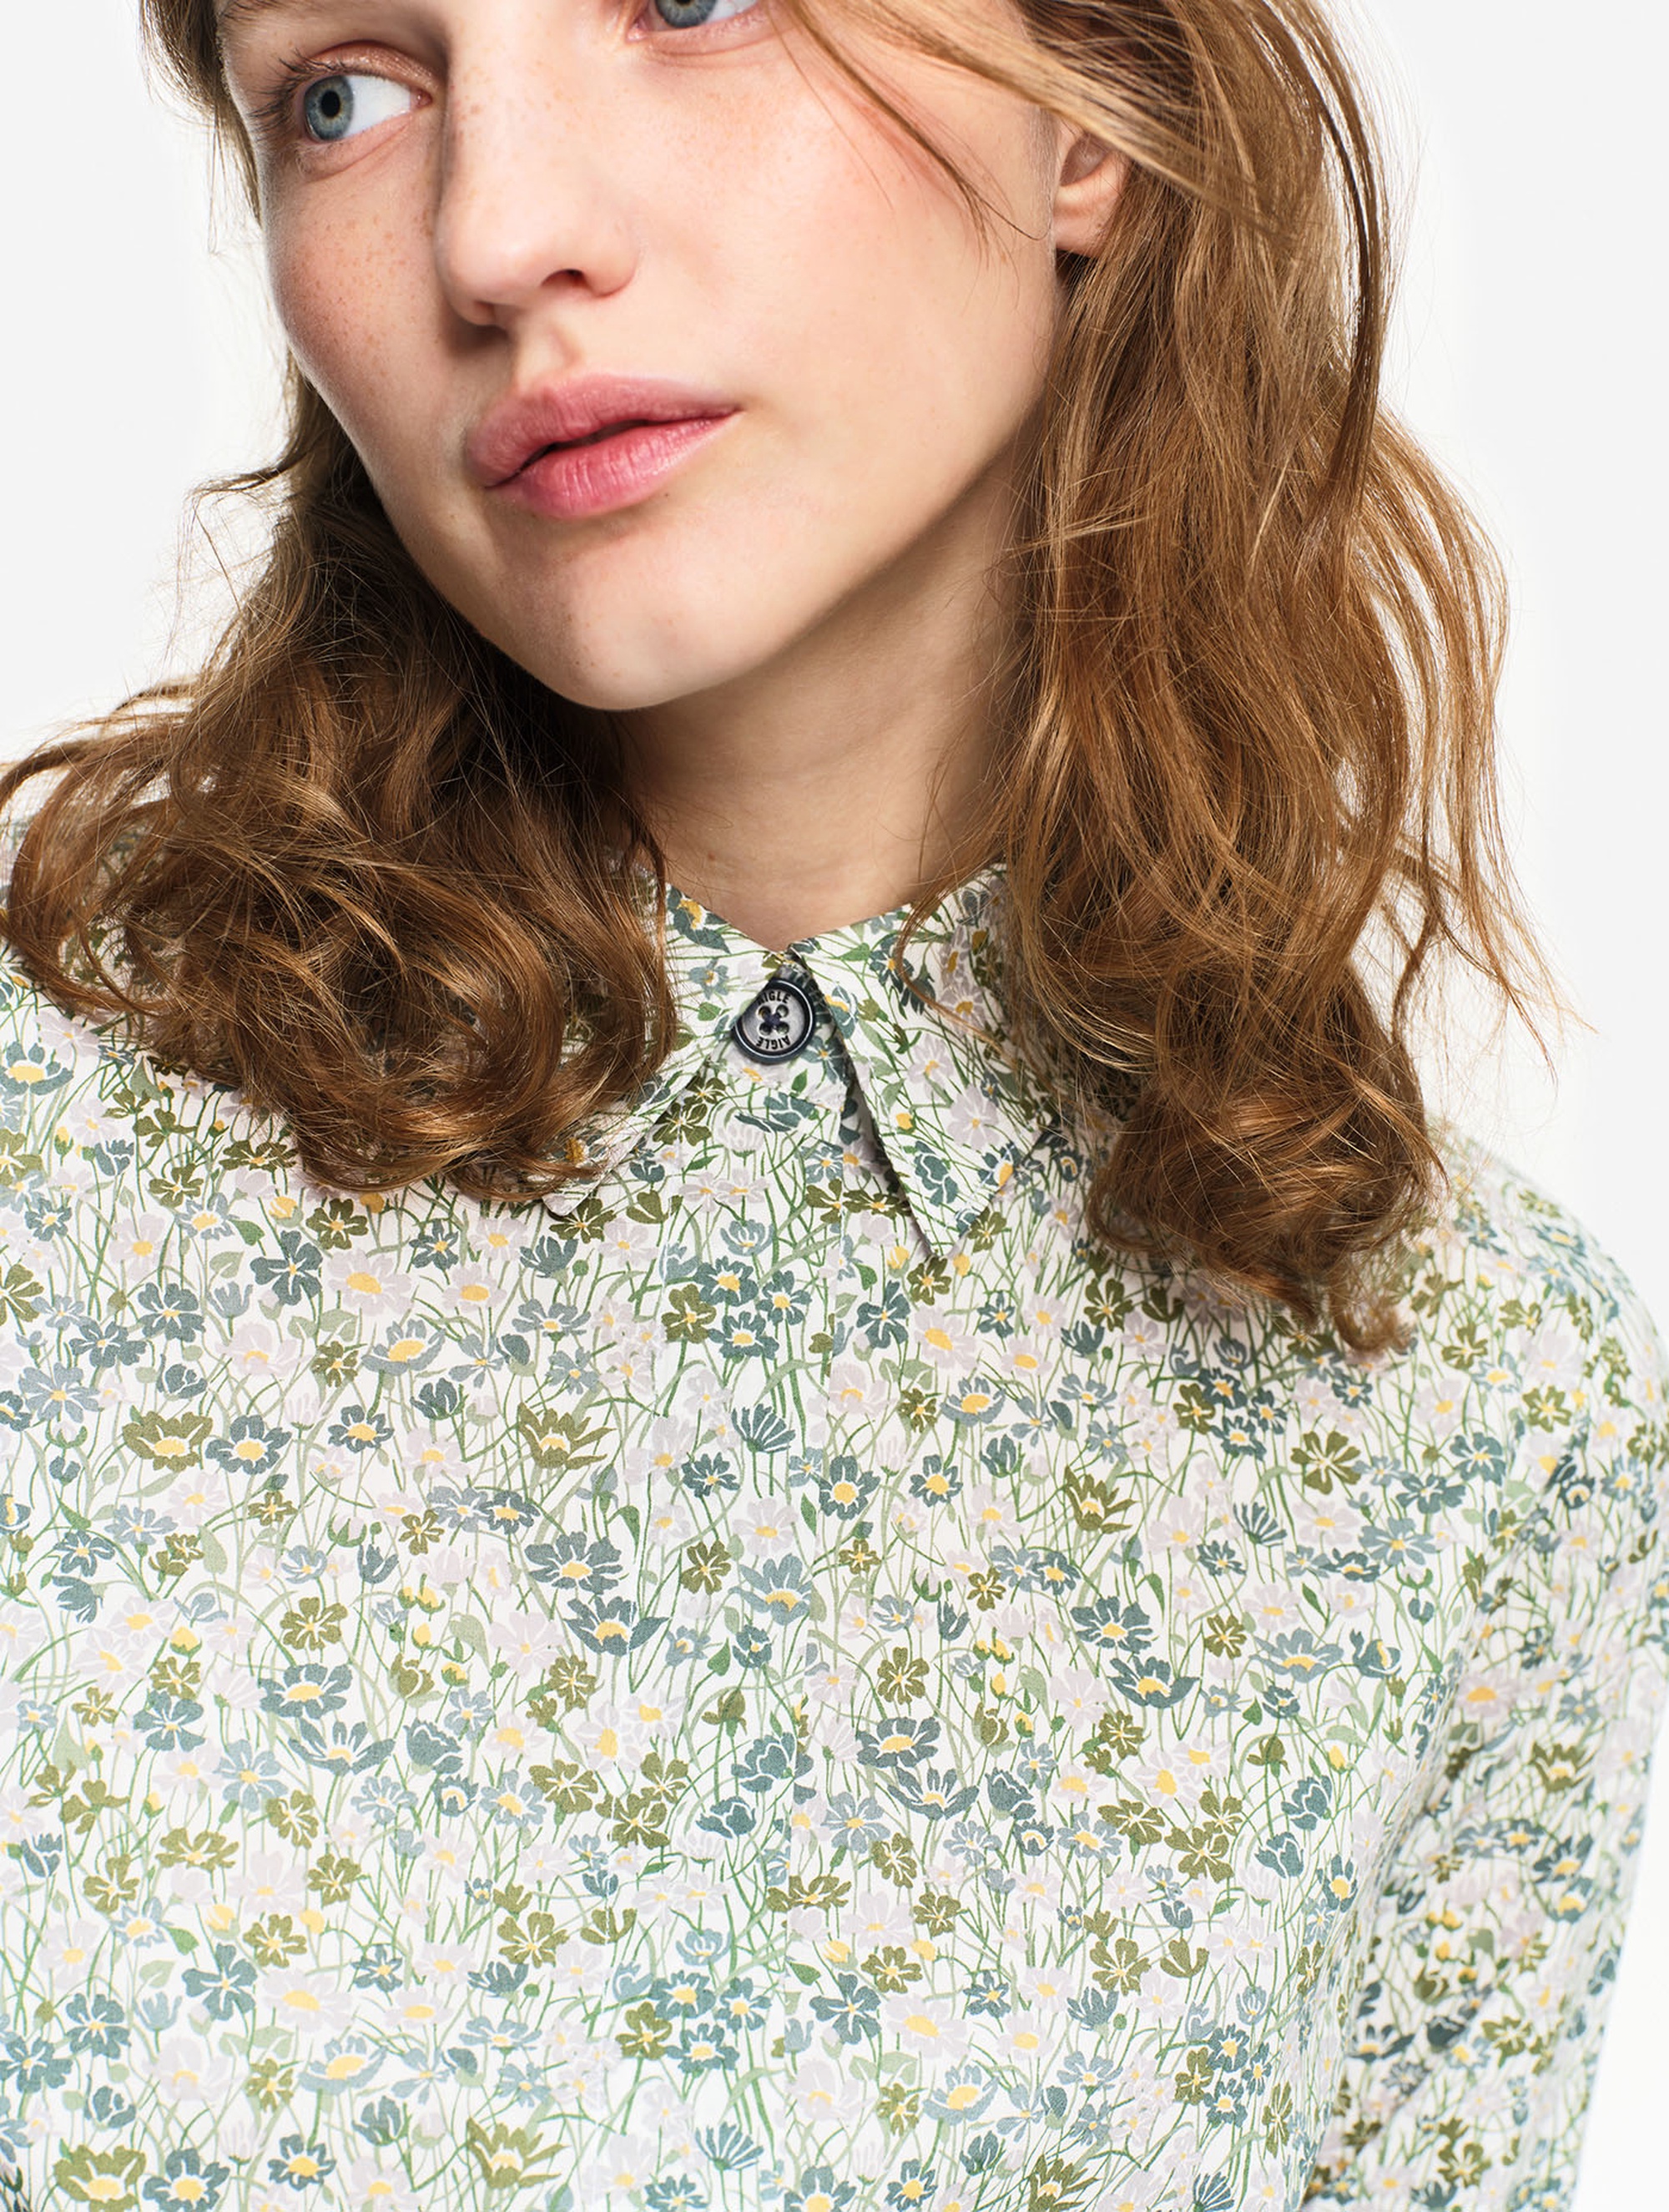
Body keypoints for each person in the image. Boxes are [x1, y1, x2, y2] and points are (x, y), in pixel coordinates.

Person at [0, 0, 1662, 2204]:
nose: (495, 235)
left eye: (690, 0)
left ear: (1090, 112)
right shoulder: (40, 1175)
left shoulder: (1484, 1408)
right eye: (346, 95)